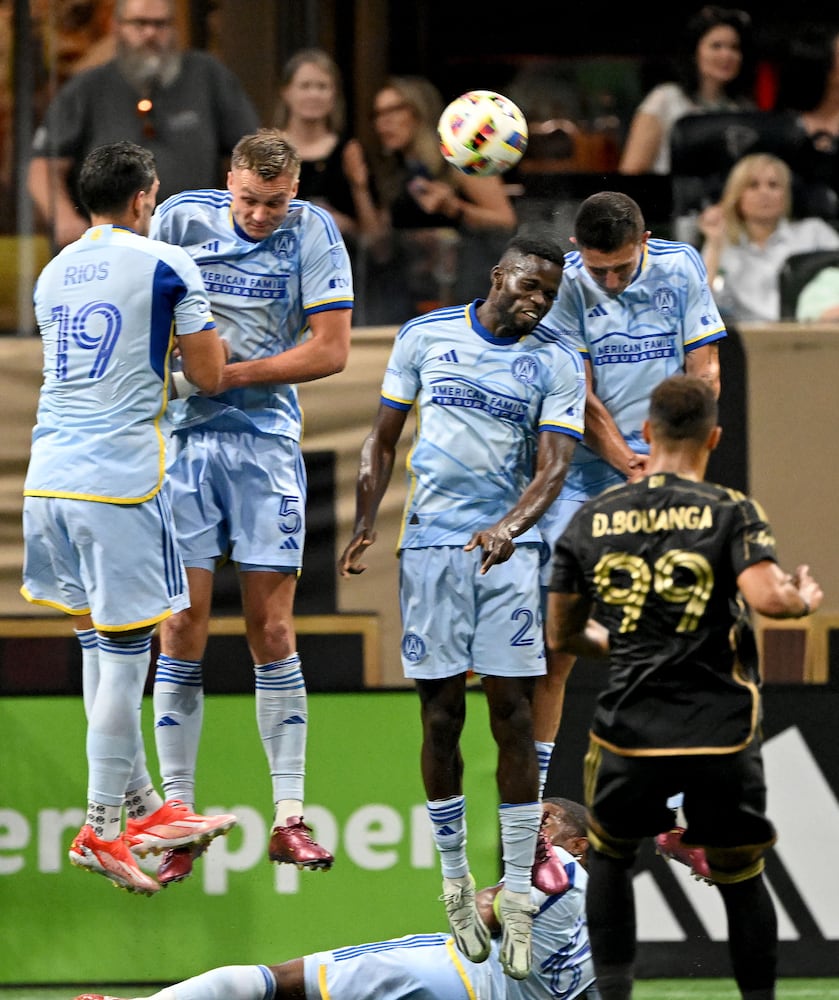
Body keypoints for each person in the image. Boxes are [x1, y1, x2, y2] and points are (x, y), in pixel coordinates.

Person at [338, 224, 587, 980]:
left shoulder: (556, 362)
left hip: (508, 555)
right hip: (430, 552)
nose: (537, 303)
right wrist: (361, 523)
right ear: (498, 273)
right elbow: (381, 439)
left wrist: (508, 527)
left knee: (510, 712)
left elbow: (552, 468)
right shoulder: (426, 335)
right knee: (439, 714)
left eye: (550, 294)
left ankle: (513, 892)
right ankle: (452, 879)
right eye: (529, 287)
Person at [545, 373, 824, 1000]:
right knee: (741, 874)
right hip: (719, 731)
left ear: (645, 433)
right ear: (714, 438)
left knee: (612, 859)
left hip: (630, 726)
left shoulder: (592, 518)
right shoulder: (732, 510)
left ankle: (615, 994)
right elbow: (768, 601)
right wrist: (801, 598)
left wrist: (615, 643)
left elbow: (560, 634)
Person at [19, 140, 233, 896]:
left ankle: (144, 808)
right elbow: (206, 376)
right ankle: (102, 826)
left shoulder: (51, 273)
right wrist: (191, 361)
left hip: (46, 484)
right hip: (118, 485)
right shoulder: (169, 263)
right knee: (125, 658)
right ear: (146, 196)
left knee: (99, 653)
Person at [147, 127, 353, 888]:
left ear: (292, 190)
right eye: (249, 200)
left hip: (265, 444)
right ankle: (176, 817)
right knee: (182, 624)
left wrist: (229, 376)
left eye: (275, 202)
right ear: (226, 181)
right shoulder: (178, 219)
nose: (261, 215)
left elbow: (330, 350)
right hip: (185, 448)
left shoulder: (314, 230)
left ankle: (290, 818)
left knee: (270, 627)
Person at [532, 191, 727, 788]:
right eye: (599, 269)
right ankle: (535, 800)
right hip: (585, 472)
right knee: (555, 644)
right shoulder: (564, 284)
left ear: (644, 240)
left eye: (622, 266)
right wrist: (625, 459)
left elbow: (706, 372)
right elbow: (576, 393)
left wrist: (674, 460)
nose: (611, 280)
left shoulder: (682, 265)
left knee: (674, 632)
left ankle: (673, 809)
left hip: (666, 465)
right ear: (576, 252)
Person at [71, 798, 600, 1000]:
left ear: (579, 844)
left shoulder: (561, 869)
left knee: (282, 982)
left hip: (461, 976)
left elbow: (481, 920)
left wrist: (484, 896)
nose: (537, 822)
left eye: (549, 817)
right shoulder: (604, 910)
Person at [27, 0, 260, 250]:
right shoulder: (86, 88)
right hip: (110, 249)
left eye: (161, 24)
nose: (150, 33)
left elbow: (251, 154)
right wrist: (65, 220)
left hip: (198, 246)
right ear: (116, 27)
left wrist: (246, 213)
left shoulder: (208, 77)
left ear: (175, 29)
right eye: (139, 23)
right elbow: (43, 167)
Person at [356, 75, 518, 323]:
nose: (383, 122)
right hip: (411, 297)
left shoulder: (460, 153)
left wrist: (454, 208)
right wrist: (359, 186)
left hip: (467, 290)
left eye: (394, 110)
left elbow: (504, 220)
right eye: (377, 114)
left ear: (420, 111)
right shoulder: (397, 170)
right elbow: (379, 244)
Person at [698, 152, 839, 322]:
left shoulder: (814, 233)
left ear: (785, 195)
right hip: (753, 341)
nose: (764, 193)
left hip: (817, 332)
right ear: (737, 195)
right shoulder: (723, 246)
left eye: (773, 185)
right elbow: (699, 305)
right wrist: (714, 245)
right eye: (753, 185)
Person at [618, 5, 756, 176]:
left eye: (734, 47)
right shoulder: (664, 99)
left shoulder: (743, 109)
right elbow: (632, 171)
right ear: (695, 53)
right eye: (716, 46)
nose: (727, 55)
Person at [272, 48, 380, 249]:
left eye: (322, 87)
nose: (314, 95)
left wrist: (359, 188)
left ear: (334, 95)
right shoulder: (266, 150)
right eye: (305, 86)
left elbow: (375, 239)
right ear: (286, 92)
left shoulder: (350, 151)